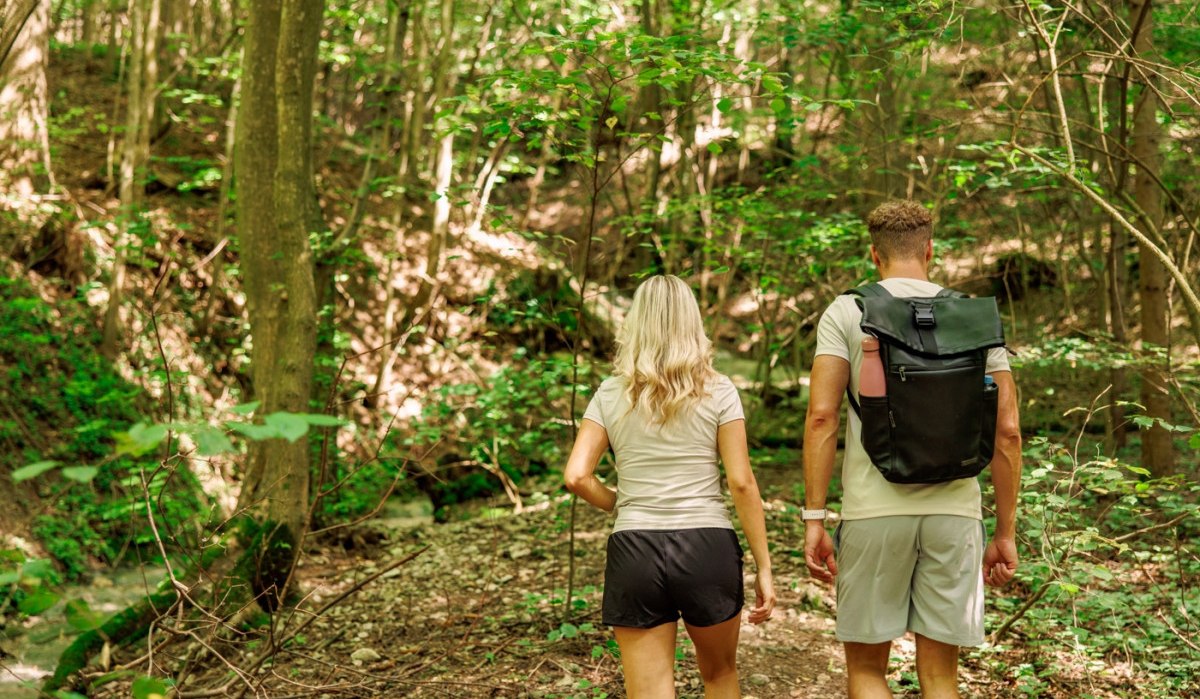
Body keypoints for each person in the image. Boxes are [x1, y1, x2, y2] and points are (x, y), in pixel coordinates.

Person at [802, 201, 1022, 699]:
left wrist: (815, 517)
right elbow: (1008, 430)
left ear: (873, 255)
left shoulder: (847, 311)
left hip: (871, 511)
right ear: (930, 250)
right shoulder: (972, 316)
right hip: (955, 511)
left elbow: (821, 417)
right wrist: (1005, 531)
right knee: (942, 677)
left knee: (866, 671)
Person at [564, 274, 775, 699]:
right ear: (692, 323)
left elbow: (577, 476)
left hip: (634, 548)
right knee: (719, 676)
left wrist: (622, 504)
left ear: (635, 323)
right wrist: (764, 565)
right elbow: (741, 482)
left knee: (650, 691)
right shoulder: (720, 391)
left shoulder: (609, 393)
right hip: (707, 545)